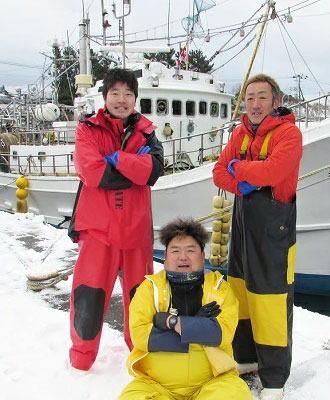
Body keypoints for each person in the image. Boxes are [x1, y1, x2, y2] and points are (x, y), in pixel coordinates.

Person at [213, 74, 303, 400]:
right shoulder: (240, 133)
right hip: (242, 230)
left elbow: (274, 172)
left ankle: (275, 379)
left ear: (275, 102)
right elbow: (218, 173)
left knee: (271, 304)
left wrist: (240, 167)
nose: (254, 104)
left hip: (273, 232)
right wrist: (241, 180)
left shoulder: (289, 134)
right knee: (241, 295)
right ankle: (247, 360)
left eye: (262, 97)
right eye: (249, 97)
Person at [68, 68, 164, 371]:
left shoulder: (147, 130)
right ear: (105, 96)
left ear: (135, 98)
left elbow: (154, 172)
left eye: (128, 94)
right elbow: (93, 172)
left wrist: (119, 159)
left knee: (141, 299)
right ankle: (81, 359)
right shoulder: (87, 129)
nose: (122, 100)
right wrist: (137, 163)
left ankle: (141, 354)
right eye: (115, 93)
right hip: (99, 231)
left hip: (136, 232)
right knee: (89, 295)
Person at [118, 218, 252, 400]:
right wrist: (198, 326)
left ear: (202, 255)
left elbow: (221, 334)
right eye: (175, 251)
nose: (183, 257)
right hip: (155, 384)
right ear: (165, 257)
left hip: (212, 381)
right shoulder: (149, 289)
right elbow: (142, 337)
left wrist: (169, 321)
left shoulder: (220, 288)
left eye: (190, 250)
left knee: (235, 395)